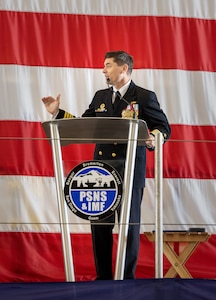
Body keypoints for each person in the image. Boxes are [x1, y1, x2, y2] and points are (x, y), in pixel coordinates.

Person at [42, 50, 171, 280]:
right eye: (104, 66)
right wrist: (58, 113)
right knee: (100, 229)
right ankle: (102, 279)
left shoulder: (143, 96)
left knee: (129, 229)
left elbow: (164, 127)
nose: (103, 70)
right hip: (101, 172)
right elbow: (83, 124)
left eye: (108, 65)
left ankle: (126, 278)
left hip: (130, 170)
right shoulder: (100, 96)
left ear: (124, 68)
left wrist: (152, 138)